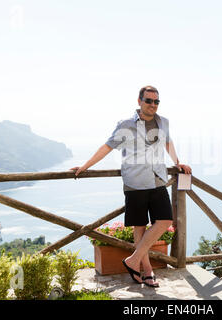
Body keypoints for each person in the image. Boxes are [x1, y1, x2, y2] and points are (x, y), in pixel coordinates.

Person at [71, 85, 191, 287]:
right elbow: (107, 147)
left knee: (164, 220)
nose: (153, 105)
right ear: (139, 101)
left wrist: (177, 162)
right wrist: (85, 166)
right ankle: (147, 270)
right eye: (149, 100)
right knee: (139, 226)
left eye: (156, 101)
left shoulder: (164, 122)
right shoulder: (126, 124)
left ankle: (133, 260)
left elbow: (168, 143)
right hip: (135, 181)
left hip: (158, 178)